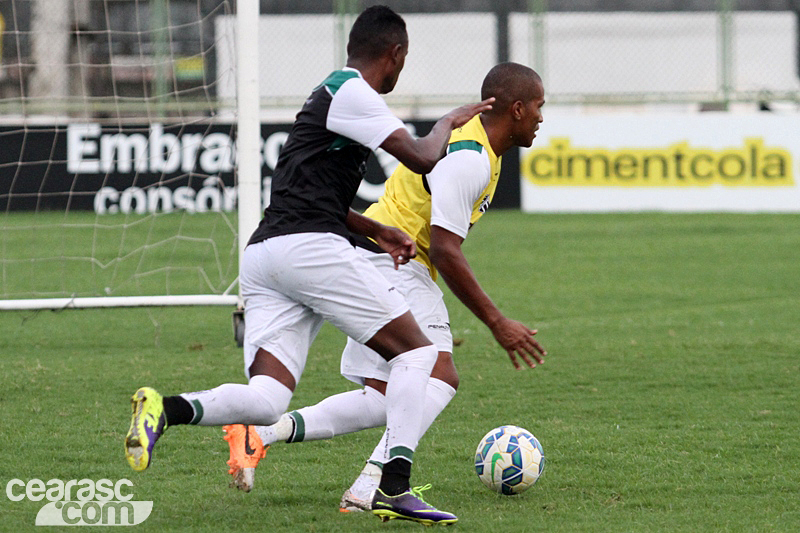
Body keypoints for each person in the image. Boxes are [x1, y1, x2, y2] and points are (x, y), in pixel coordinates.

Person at [123, 5, 492, 526]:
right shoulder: (354, 90)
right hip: (310, 252)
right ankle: (392, 486)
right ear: (396, 54)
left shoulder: (331, 95)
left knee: (268, 398)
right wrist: (449, 122)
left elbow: (308, 194)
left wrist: (374, 228)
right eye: (402, 62)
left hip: (266, 256)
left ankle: (166, 408)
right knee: (418, 355)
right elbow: (423, 156)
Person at [222, 62, 547, 516]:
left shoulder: (481, 147)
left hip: (383, 255)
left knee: (384, 397)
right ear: (516, 109)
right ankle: (374, 485)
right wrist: (497, 322)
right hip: (396, 260)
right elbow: (447, 250)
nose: (541, 117)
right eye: (537, 107)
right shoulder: (469, 157)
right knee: (440, 373)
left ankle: (261, 432)